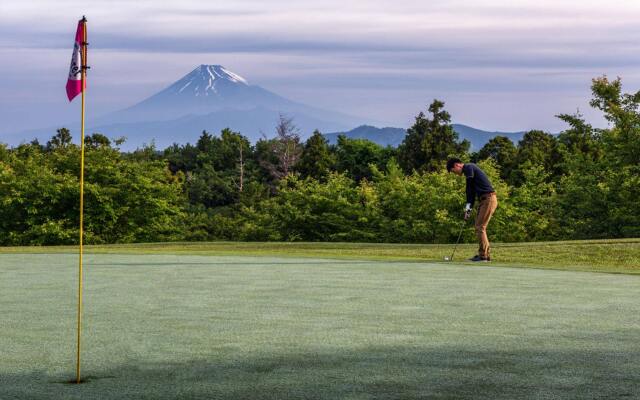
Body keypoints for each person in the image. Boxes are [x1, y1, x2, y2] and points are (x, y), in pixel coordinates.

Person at [446, 158, 498, 262]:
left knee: (480, 227)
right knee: (479, 227)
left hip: (489, 199)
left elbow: (469, 189)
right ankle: (484, 255)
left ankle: (483, 256)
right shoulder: (468, 173)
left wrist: (468, 209)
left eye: (453, 171)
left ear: (457, 165)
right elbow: (470, 195)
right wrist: (468, 210)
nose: (455, 173)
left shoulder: (469, 167)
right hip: (484, 200)